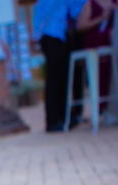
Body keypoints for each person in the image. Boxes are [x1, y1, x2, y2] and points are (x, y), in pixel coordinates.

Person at [33, 0, 88, 132]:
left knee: (60, 78)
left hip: (50, 36)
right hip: (54, 36)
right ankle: (54, 120)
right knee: (56, 79)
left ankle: (62, 118)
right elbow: (77, 10)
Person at [77, 0, 118, 110]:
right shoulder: (90, 3)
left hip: (116, 44)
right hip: (96, 44)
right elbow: (81, 26)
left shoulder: (116, 2)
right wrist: (102, 17)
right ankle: (103, 106)